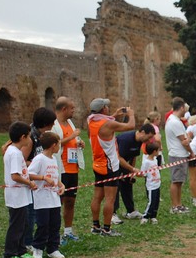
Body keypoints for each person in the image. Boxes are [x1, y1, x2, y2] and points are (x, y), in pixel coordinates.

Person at [87, 98, 135, 236]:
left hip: (97, 164)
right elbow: (130, 126)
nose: (108, 108)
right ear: (103, 109)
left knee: (97, 197)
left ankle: (95, 226)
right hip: (110, 166)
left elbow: (104, 122)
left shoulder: (90, 121)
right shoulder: (108, 124)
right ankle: (107, 229)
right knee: (110, 199)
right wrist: (130, 114)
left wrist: (114, 115)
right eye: (107, 106)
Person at [2, 122, 38, 258]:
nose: (30, 139)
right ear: (23, 137)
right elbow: (15, 176)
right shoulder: (15, 153)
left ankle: (21, 251)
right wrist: (29, 183)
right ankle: (9, 255)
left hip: (21, 195)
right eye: (28, 136)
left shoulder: (13, 151)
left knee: (23, 224)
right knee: (16, 226)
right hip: (16, 195)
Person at [52, 97, 85, 245]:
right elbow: (54, 144)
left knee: (71, 201)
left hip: (73, 168)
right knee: (58, 202)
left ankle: (68, 231)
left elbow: (72, 140)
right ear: (64, 109)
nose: (74, 111)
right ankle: (55, 234)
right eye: (72, 108)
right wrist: (72, 137)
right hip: (61, 169)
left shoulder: (70, 123)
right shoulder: (53, 124)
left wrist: (78, 142)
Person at [28, 132, 66, 258]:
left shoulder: (54, 159)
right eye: (59, 144)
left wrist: (61, 185)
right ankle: (38, 248)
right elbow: (29, 174)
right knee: (43, 224)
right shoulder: (39, 159)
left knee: (55, 224)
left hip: (54, 199)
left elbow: (55, 176)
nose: (59, 147)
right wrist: (43, 178)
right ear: (53, 145)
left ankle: (53, 249)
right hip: (42, 199)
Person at [112, 124, 156, 222]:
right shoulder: (125, 139)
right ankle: (112, 213)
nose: (149, 141)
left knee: (127, 183)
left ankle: (131, 211)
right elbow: (118, 158)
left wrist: (131, 172)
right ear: (143, 132)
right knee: (115, 186)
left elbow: (134, 155)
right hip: (113, 162)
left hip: (123, 163)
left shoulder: (139, 141)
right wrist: (132, 169)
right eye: (148, 137)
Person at [165, 97, 194, 214]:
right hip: (178, 154)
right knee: (176, 181)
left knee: (179, 181)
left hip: (179, 154)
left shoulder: (175, 120)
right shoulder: (175, 122)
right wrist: (191, 152)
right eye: (184, 108)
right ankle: (175, 206)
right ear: (181, 107)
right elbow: (184, 141)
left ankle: (179, 204)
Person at [140, 142, 161, 225]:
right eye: (158, 150)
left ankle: (153, 216)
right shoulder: (146, 162)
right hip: (151, 185)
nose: (159, 152)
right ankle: (145, 216)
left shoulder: (155, 160)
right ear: (154, 151)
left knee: (156, 201)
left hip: (157, 184)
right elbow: (143, 173)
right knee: (151, 201)